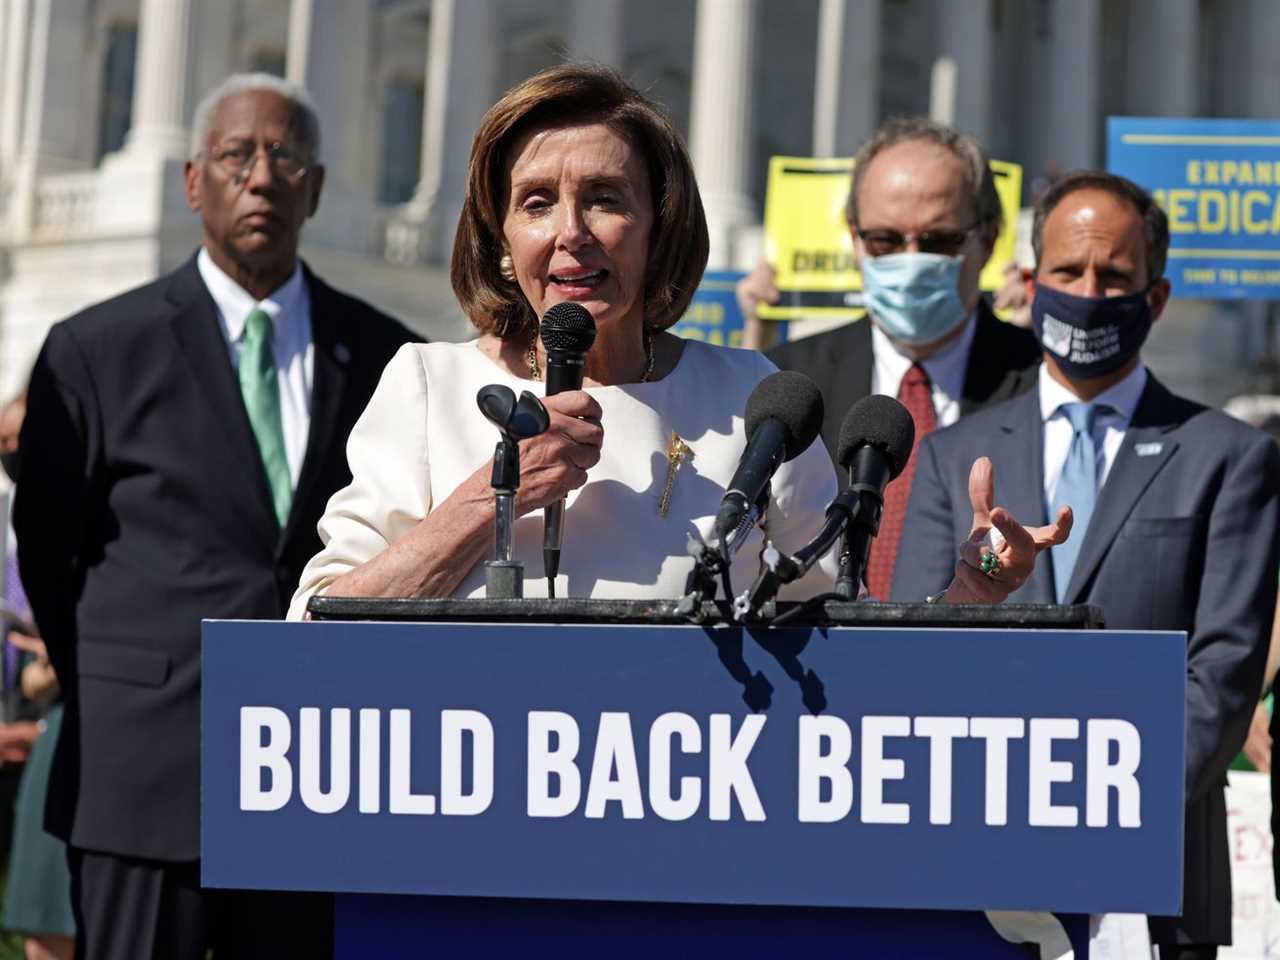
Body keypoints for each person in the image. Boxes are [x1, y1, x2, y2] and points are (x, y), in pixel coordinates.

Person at [288, 66, 1064, 618]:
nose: (570, 235)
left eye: (604, 200)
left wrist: (971, 593)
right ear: (499, 238)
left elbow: (841, 646)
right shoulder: (426, 386)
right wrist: (490, 500)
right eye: (535, 204)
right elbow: (315, 626)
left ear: (658, 231)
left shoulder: (752, 398)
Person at [15, 73, 419, 959]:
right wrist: (127, 679)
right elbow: (51, 553)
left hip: (322, 776)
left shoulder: (394, 359)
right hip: (142, 774)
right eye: (238, 155)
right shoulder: (95, 350)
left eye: (286, 157)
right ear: (195, 182)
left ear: (315, 188)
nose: (263, 177)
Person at [892, 170, 1280, 959]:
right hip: (982, 866)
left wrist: (1104, 814)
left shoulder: (1228, 457)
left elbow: (1226, 670)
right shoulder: (954, 458)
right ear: (1031, 283)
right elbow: (913, 654)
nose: (1090, 291)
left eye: (1116, 276)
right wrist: (970, 591)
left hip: (1158, 879)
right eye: (1068, 272)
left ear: (1156, 297)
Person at [740, 118, 1041, 600]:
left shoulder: (1040, 383)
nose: (911, 259)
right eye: (885, 240)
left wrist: (989, 568)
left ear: (988, 238)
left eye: (939, 241)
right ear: (855, 240)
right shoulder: (786, 383)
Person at [0, 393, 75, 960]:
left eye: (20, 439)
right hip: (56, 732)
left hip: (124, 732)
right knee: (45, 923)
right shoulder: (22, 535)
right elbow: (31, 677)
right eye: (2, 443)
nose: (13, 453)